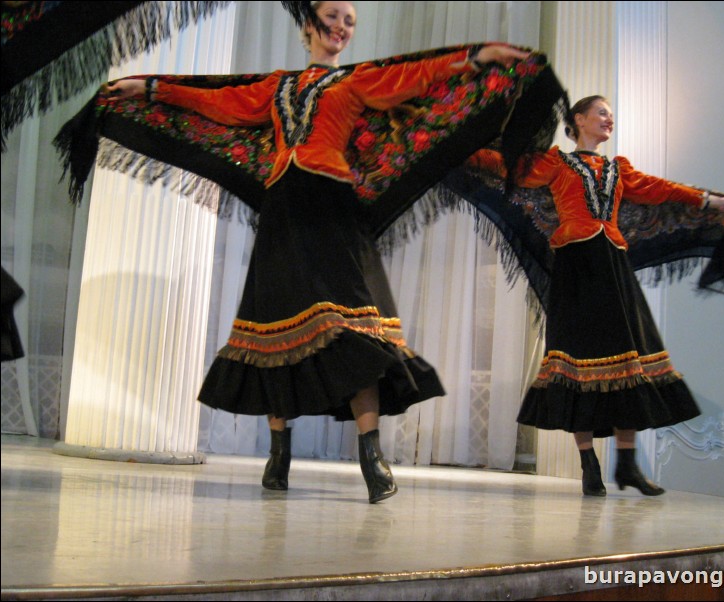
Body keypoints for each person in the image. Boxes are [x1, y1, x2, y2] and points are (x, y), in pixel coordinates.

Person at [104, 1, 532, 503]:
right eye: (334, 16)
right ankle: (279, 454)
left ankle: (371, 455)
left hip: (333, 205)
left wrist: (478, 56)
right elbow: (216, 100)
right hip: (283, 206)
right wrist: (150, 88)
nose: (342, 28)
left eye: (351, 22)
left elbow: (415, 75)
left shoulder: (355, 81)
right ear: (309, 24)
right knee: (274, 328)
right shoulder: (275, 88)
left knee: (358, 328)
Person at [467, 95, 724, 496]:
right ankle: (589, 465)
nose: (608, 119)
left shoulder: (618, 168)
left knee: (627, 357)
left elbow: (658, 189)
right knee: (578, 359)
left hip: (612, 264)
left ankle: (627, 465)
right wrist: (462, 149)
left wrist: (707, 199)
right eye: (601, 113)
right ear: (579, 120)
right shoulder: (556, 163)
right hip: (576, 267)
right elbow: (510, 168)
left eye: (611, 115)